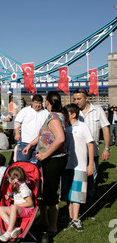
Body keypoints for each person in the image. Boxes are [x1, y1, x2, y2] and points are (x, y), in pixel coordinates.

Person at [22, 91, 67, 235]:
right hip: (48, 159)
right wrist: (30, 144)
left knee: (51, 192)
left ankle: (52, 225)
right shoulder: (56, 116)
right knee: (42, 189)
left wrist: (46, 154)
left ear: (48, 102)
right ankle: (44, 220)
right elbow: (43, 134)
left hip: (53, 160)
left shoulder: (54, 117)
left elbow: (60, 138)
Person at [72, 88, 110, 208]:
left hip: (93, 152)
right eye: (75, 99)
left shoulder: (97, 110)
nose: (76, 101)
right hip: (77, 154)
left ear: (86, 98)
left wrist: (107, 148)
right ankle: (75, 208)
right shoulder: (73, 112)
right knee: (77, 181)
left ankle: (87, 206)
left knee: (91, 180)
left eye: (79, 99)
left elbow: (105, 129)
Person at [60, 104, 94, 231]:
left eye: (66, 114)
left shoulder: (83, 127)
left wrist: (90, 165)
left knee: (77, 193)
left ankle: (75, 218)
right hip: (66, 165)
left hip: (79, 165)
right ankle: (70, 216)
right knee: (68, 192)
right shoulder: (65, 127)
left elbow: (90, 145)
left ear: (73, 114)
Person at [0, 165, 34, 242]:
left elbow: (30, 203)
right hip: (18, 208)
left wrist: (16, 205)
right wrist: (11, 198)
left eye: (8, 178)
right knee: (0, 209)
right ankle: (14, 227)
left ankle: (9, 232)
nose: (8, 180)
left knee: (13, 207)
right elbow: (20, 199)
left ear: (13, 179)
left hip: (27, 210)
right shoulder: (17, 187)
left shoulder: (24, 189)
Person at [13, 94, 49, 162]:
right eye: (36, 103)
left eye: (39, 103)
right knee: (23, 163)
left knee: (37, 165)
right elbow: (17, 122)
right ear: (32, 102)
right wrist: (17, 133)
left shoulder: (46, 113)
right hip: (25, 142)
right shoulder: (25, 110)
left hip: (40, 143)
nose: (38, 105)